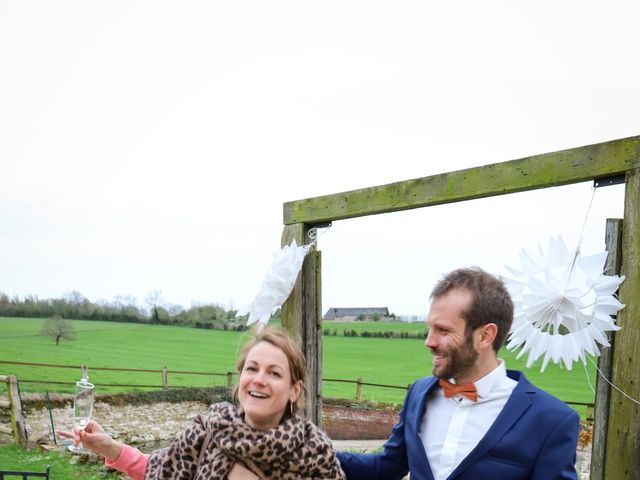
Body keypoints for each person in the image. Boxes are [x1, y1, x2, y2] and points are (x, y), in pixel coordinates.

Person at [337, 267, 580, 480]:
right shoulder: (419, 393)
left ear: (485, 335)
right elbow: (386, 468)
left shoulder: (551, 421)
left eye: (442, 330)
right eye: (430, 328)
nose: (429, 342)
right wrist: (311, 452)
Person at [60, 327, 345, 480]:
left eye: (274, 373)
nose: (259, 379)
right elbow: (158, 471)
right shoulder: (207, 433)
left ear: (295, 390)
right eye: (251, 368)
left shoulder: (314, 456)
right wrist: (110, 447)